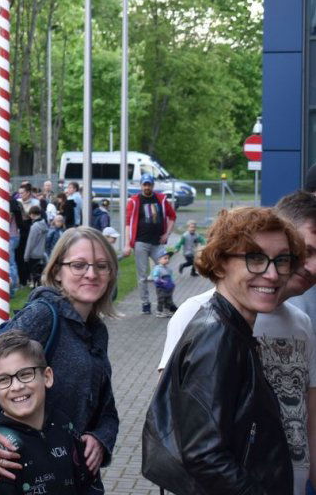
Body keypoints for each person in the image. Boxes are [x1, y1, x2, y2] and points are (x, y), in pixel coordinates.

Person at [157, 194, 316, 494]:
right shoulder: (212, 330)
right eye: (255, 259)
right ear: (219, 264)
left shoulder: (237, 327)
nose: (271, 273)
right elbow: (199, 453)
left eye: (282, 260)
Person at [0, 227, 120, 491]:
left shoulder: (96, 331)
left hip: (68, 470)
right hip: (22, 469)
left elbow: (106, 407)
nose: (91, 274)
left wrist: (101, 438)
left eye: (101, 266)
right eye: (79, 265)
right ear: (57, 271)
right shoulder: (42, 315)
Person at [0, 331, 97, 495]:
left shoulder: (65, 426)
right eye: (4, 379)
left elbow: (88, 485)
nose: (17, 386)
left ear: (47, 377)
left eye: (26, 374)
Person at [123, 172, 177, 314]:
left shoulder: (161, 199)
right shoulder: (134, 201)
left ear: (153, 185)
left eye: (149, 184)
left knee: (165, 272)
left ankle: (166, 302)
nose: (147, 187)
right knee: (142, 275)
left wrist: (167, 234)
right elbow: (128, 223)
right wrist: (127, 244)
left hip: (158, 242)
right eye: (144, 184)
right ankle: (145, 304)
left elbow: (172, 216)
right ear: (141, 185)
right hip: (141, 242)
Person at [24, 206, 49, 287]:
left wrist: (26, 256)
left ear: (32, 214)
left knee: (34, 273)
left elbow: (30, 242)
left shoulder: (34, 226)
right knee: (40, 273)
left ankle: (35, 286)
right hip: (41, 252)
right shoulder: (44, 224)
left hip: (33, 254)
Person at [150, 250, 176, 317]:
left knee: (168, 299)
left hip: (168, 287)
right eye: (165, 258)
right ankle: (159, 311)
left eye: (168, 258)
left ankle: (166, 311)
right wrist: (160, 281)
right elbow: (155, 277)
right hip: (161, 287)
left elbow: (171, 277)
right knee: (161, 299)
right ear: (159, 260)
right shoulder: (157, 268)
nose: (167, 260)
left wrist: (172, 283)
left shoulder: (168, 269)